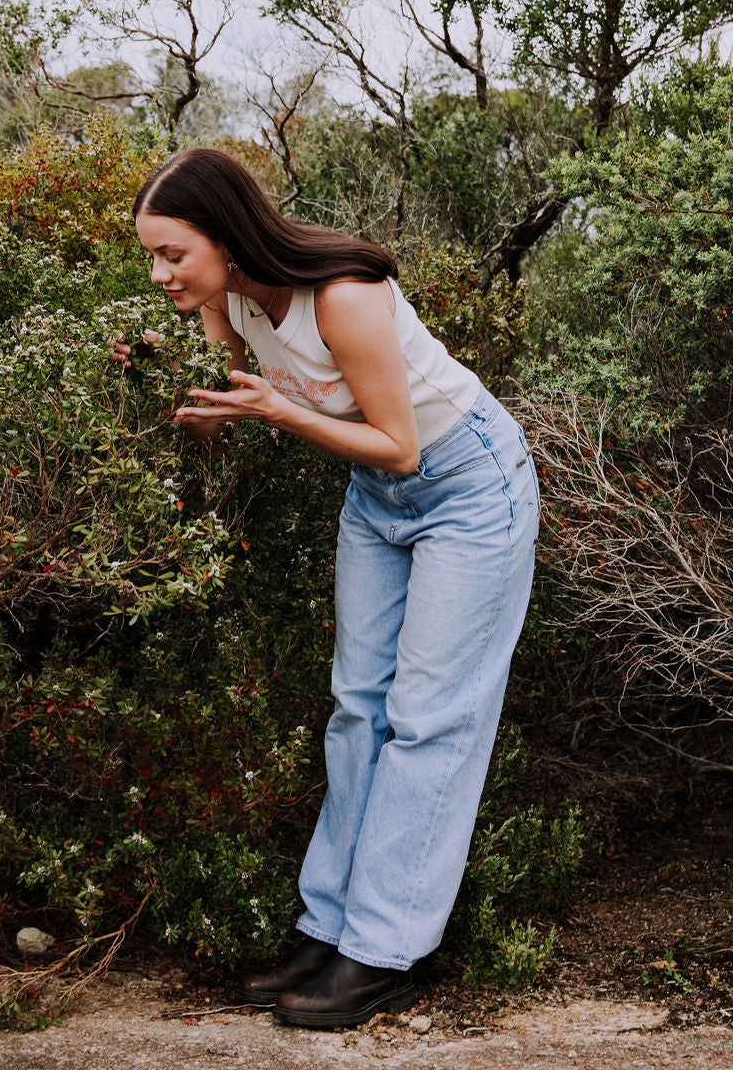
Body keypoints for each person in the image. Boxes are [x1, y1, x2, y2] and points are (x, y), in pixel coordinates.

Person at [113, 147, 540, 1031]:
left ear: (227, 239)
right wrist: (180, 394)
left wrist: (278, 412)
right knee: (357, 707)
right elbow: (243, 390)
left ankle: (381, 955)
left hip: (468, 488)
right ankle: (329, 930)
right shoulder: (227, 298)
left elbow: (401, 445)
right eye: (152, 257)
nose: (160, 274)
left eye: (172, 255)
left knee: (429, 715)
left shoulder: (341, 296)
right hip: (376, 501)